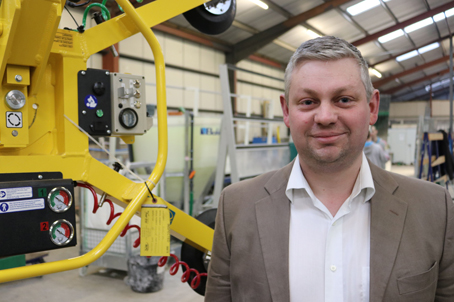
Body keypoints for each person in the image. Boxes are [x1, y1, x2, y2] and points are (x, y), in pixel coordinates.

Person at [205, 36, 454, 302]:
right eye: (308, 102)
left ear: (372, 108)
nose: (325, 117)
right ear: (286, 111)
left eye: (343, 99)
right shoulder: (236, 207)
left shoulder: (434, 209)